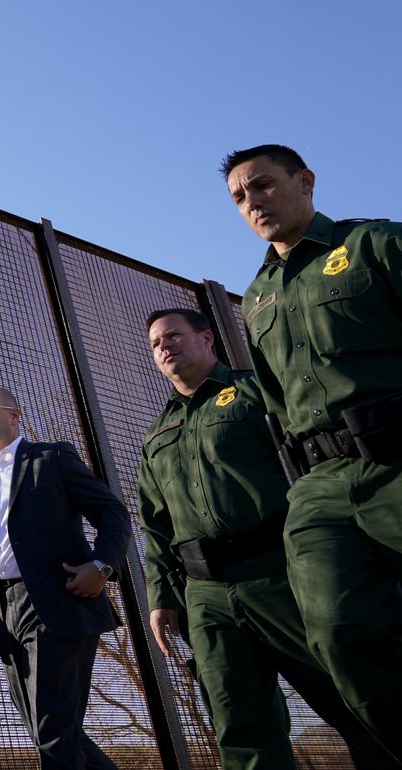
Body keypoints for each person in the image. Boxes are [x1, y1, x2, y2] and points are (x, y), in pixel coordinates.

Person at [138, 309, 396, 770]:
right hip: (206, 596)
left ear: (206, 338)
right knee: (239, 726)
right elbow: (156, 524)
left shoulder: (255, 392)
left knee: (353, 699)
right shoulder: (156, 434)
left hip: (281, 572)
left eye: (174, 335)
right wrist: (160, 597)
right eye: (156, 343)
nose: (164, 347)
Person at [224, 144, 402, 761]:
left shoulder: (377, 245)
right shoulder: (256, 300)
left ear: (305, 181)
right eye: (241, 198)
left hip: (396, 459)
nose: (254, 203)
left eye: (264, 186)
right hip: (320, 487)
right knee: (337, 632)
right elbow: (276, 404)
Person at [0, 386, 129, 770]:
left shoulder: (52, 458)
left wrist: (102, 566)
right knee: (50, 733)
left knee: (53, 732)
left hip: (57, 601)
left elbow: (112, 513)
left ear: (14, 414)